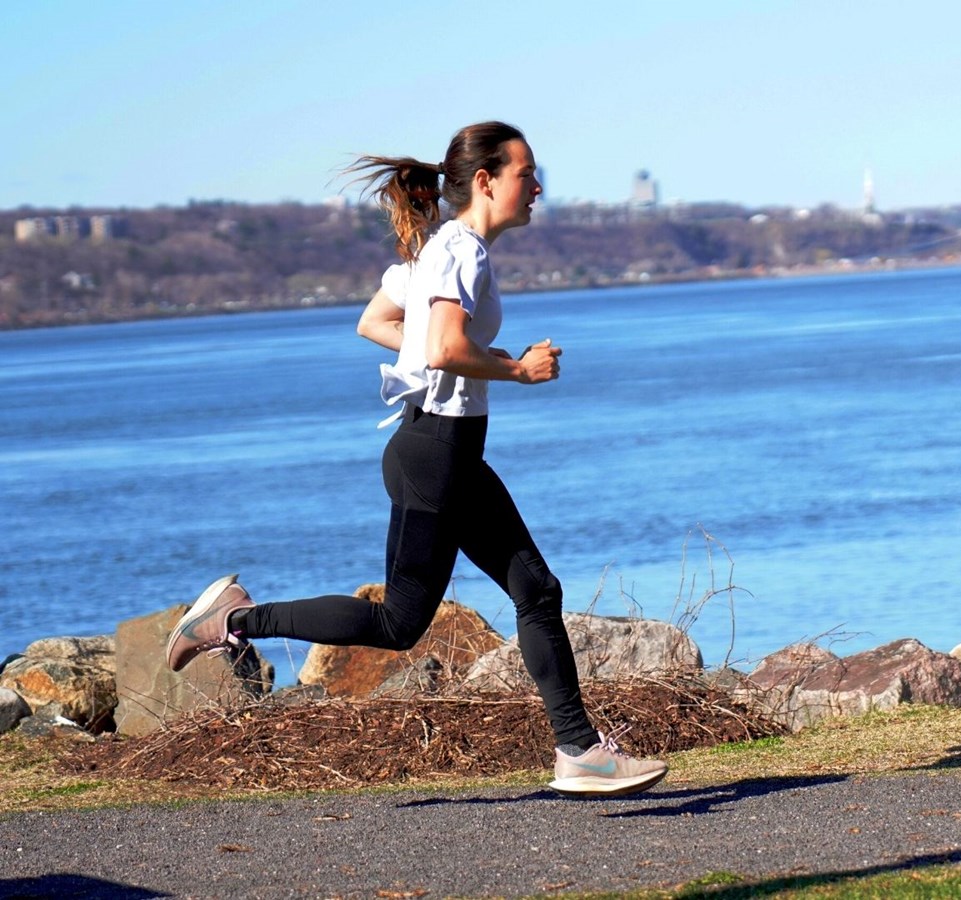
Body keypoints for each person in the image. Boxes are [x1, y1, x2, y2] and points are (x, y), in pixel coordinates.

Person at [164, 121, 667, 798]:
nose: (538, 186)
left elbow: (376, 321)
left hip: (436, 451)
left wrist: (459, 356)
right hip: (438, 453)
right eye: (526, 173)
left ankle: (579, 751)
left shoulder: (436, 251)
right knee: (429, 617)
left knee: (505, 599)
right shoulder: (462, 251)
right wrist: (517, 369)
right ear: (486, 181)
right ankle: (231, 621)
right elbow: (440, 350)